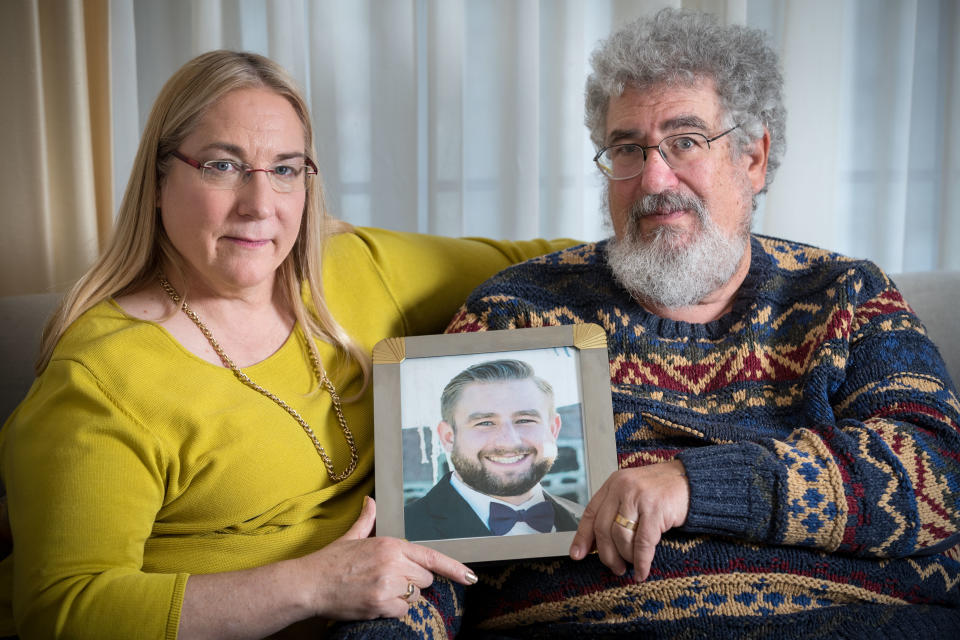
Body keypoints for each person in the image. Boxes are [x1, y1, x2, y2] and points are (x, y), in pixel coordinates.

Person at [423, 8, 960, 638]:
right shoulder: (513, 314)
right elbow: (426, 553)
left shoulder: (845, 297)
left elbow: (938, 475)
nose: (654, 178)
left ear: (752, 158)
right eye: (627, 147)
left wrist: (694, 483)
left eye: (685, 141)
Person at [0, 50, 572, 639]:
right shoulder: (102, 377)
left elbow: (555, 265)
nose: (260, 205)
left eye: (285, 169)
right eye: (223, 166)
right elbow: (62, 611)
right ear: (158, 180)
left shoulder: (357, 271)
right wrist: (315, 584)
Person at [404, 359, 583, 541]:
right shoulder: (403, 531)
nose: (508, 442)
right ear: (449, 437)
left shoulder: (586, 521)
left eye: (525, 420)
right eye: (485, 423)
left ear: (553, 429)